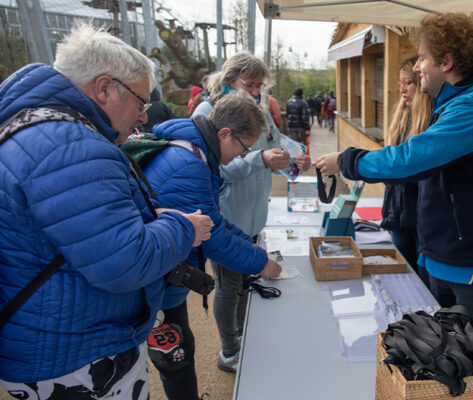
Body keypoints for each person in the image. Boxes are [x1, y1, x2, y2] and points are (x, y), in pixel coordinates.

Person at [0, 22, 212, 399]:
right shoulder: (72, 145)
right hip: (79, 357)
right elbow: (124, 261)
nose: (145, 115)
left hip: (49, 341)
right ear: (104, 88)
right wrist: (182, 227)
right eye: (141, 101)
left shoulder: (34, 128)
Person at [315, 12, 473, 320]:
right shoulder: (453, 105)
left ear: (447, 61)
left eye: (423, 58)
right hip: (448, 259)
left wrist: (346, 161)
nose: (418, 66)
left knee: (470, 361)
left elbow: (410, 160)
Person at [142, 91, 282, 400]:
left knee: (181, 348)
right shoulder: (189, 165)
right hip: (158, 278)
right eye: (243, 148)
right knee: (175, 356)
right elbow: (213, 238)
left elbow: (211, 219)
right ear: (224, 133)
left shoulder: (196, 154)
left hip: (166, 272)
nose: (242, 155)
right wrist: (260, 263)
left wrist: (250, 246)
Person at [192, 52, 311, 373]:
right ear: (229, 79)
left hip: (255, 212)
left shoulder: (258, 107)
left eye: (261, 85)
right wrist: (260, 160)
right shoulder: (208, 113)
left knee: (244, 280)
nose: (257, 91)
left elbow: (274, 142)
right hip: (228, 217)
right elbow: (216, 171)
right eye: (250, 84)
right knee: (229, 284)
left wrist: (294, 157)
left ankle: (242, 333)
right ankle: (229, 350)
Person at [382, 55, 432, 287]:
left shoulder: (433, 121)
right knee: (402, 280)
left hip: (423, 222)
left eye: (408, 83)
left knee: (423, 284)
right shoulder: (401, 118)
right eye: (399, 83)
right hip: (398, 217)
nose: (402, 89)